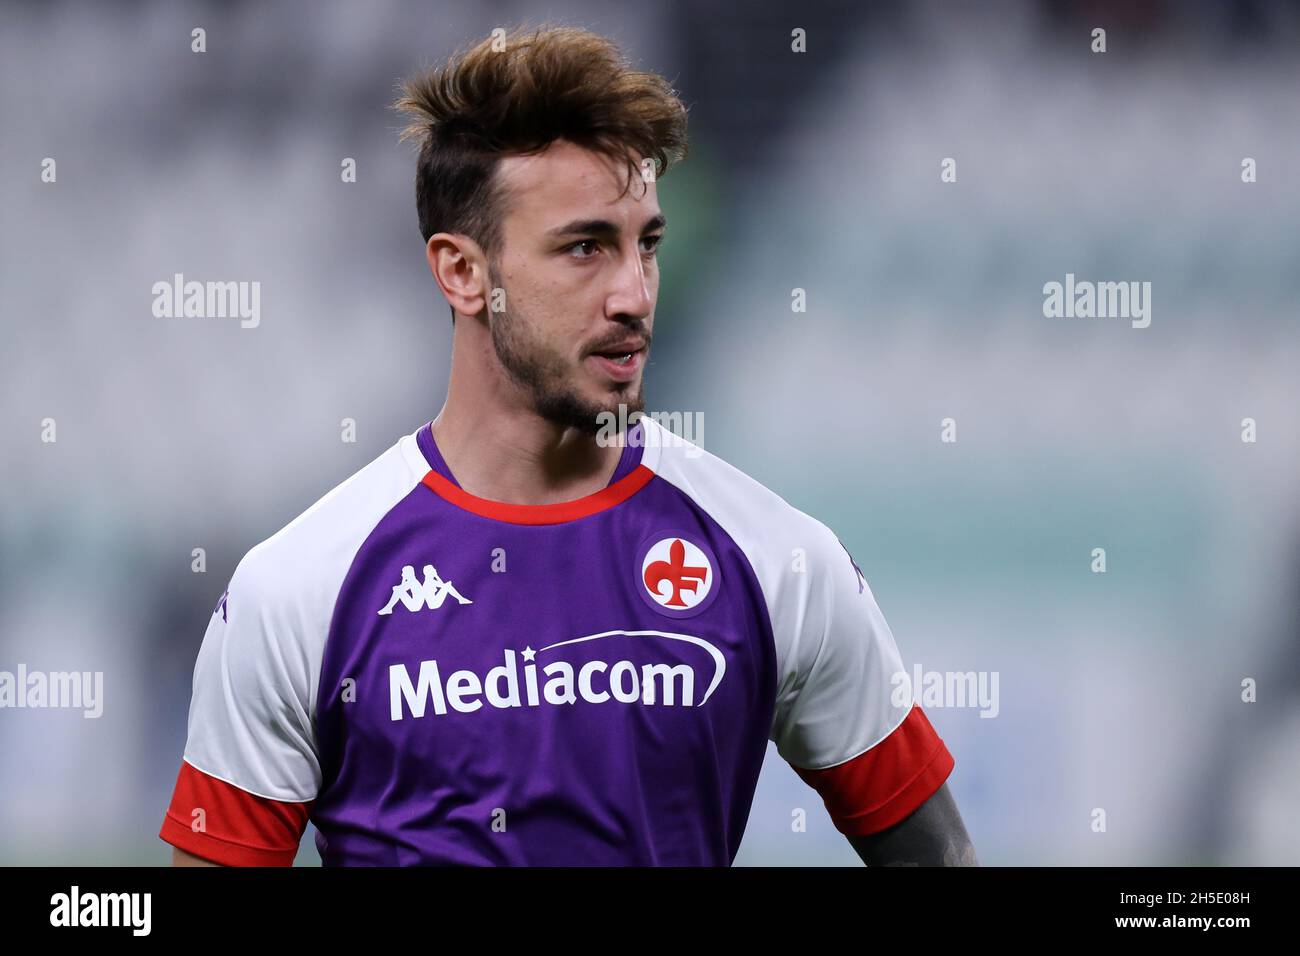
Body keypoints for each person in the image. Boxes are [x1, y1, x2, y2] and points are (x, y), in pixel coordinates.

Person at [161, 23, 975, 867]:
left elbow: (937, 858)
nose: (634, 294)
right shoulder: (300, 589)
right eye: (585, 248)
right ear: (462, 273)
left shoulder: (779, 561)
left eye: (647, 245)